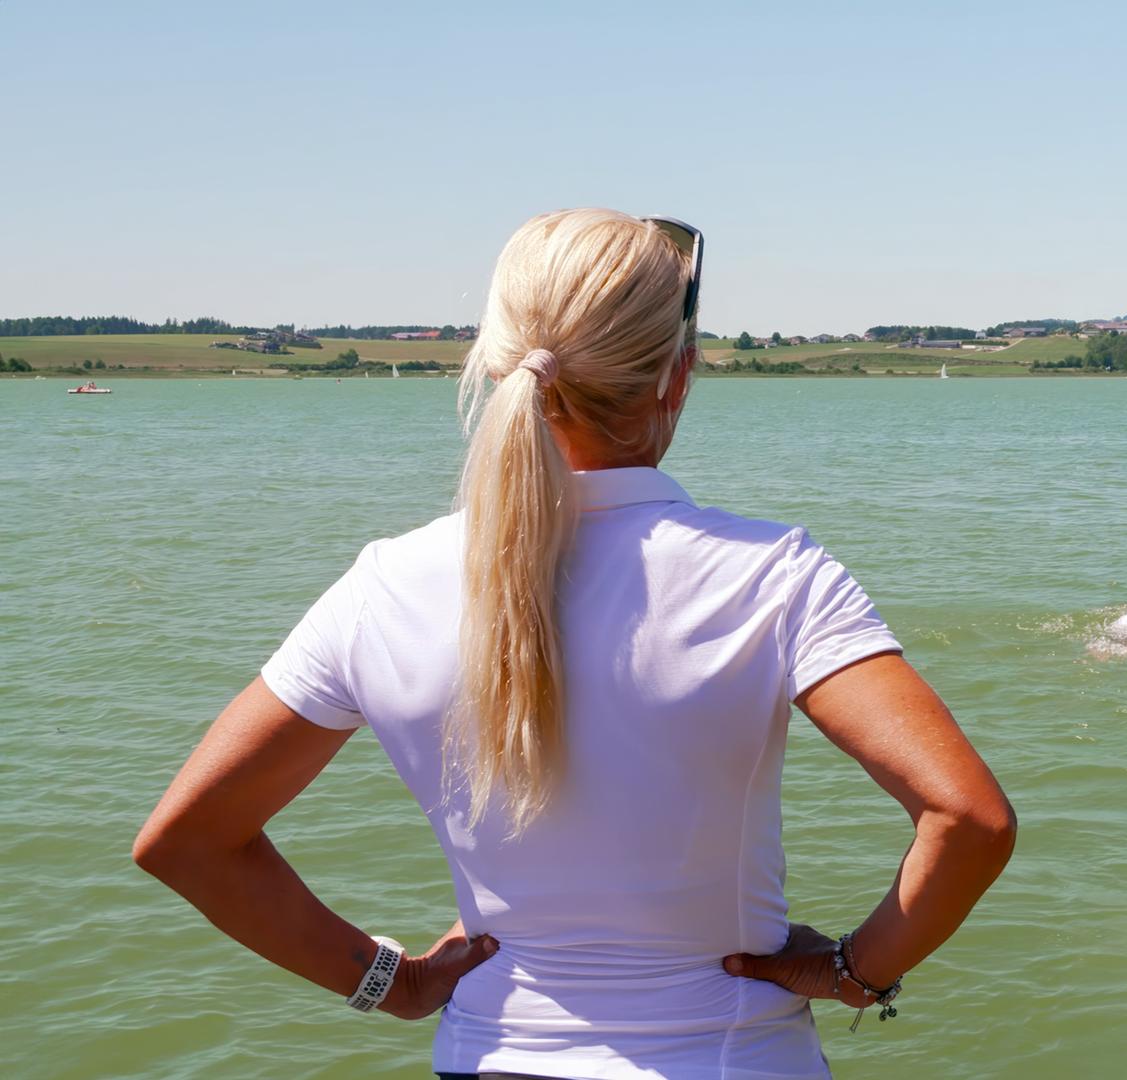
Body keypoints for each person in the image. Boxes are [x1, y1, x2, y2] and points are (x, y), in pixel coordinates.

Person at [133, 209, 1016, 1080]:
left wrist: (390, 984)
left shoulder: (384, 586)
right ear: (678, 374)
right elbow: (968, 820)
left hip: (489, 1057)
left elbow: (190, 840)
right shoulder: (771, 574)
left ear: (493, 361)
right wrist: (856, 972)